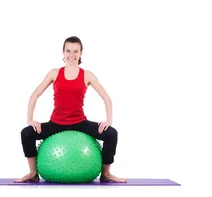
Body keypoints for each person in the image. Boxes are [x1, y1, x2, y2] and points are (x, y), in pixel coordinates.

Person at [14, 36, 127, 183]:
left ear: (81, 53)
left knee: (111, 134)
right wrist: (30, 119)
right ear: (63, 52)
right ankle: (33, 173)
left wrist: (109, 120)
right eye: (68, 51)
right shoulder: (54, 73)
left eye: (75, 51)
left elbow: (106, 98)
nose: (71, 55)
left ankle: (106, 174)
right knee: (26, 133)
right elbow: (35, 95)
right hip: (56, 123)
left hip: (79, 122)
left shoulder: (87, 75)